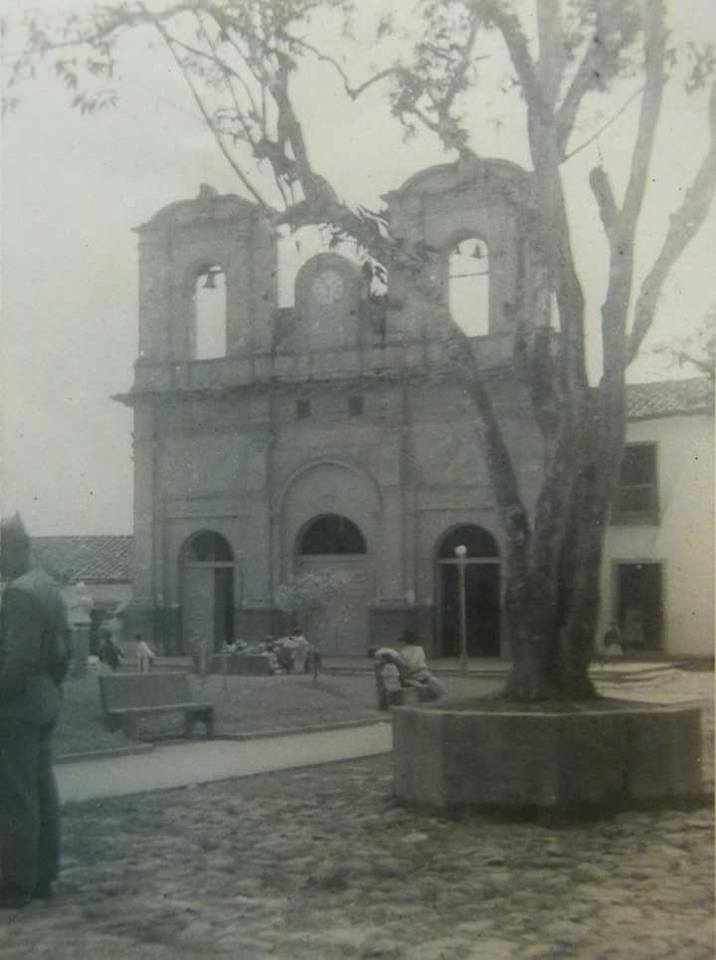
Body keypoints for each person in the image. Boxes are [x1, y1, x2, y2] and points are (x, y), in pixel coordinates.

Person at [0, 513, 71, 909]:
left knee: (14, 794)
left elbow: (17, 661)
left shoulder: (19, 593)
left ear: (15, 549)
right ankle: (43, 876)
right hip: (45, 697)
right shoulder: (47, 585)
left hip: (18, 704)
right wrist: (51, 687)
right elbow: (66, 652)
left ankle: (14, 883)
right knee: (42, 789)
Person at [396, 630, 447, 700]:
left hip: (410, 675)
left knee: (426, 683)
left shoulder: (401, 651)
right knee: (435, 684)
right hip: (422, 673)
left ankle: (429, 694)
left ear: (405, 641)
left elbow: (403, 666)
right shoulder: (419, 649)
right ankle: (438, 696)